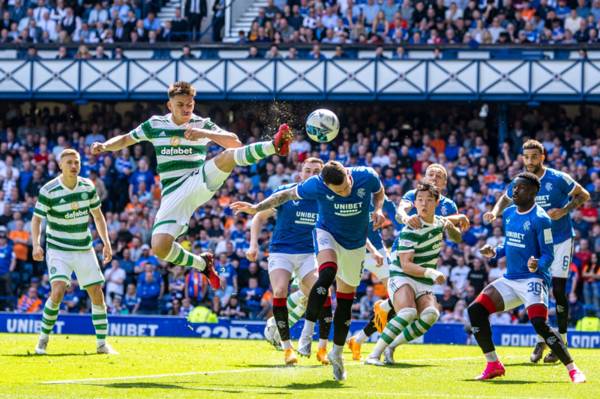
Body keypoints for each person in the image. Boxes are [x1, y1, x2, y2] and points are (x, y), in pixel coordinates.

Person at [90, 81, 293, 291]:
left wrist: (205, 134)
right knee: (159, 247)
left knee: (227, 157)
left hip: (197, 179)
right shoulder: (155, 124)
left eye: (189, 104)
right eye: (180, 105)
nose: (186, 109)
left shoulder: (201, 123)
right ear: (170, 106)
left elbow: (235, 142)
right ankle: (202, 264)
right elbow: (125, 139)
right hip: (172, 193)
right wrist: (105, 146)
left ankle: (275, 145)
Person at [232, 161, 386, 381]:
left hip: (355, 243)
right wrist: (257, 208)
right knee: (326, 274)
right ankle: (305, 335)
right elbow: (283, 195)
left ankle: (337, 353)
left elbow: (379, 192)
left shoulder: (366, 176)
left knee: (345, 302)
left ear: (348, 175)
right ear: (325, 185)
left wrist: (378, 209)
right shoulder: (315, 186)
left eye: (347, 186)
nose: (346, 192)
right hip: (325, 235)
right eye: (339, 191)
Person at [470, 172, 585, 383]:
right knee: (475, 310)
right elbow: (510, 243)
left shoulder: (541, 219)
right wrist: (495, 251)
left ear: (533, 192)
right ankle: (493, 364)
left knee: (539, 323)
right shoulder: (510, 213)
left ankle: (573, 370)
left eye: (520, 188)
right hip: (511, 279)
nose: (514, 191)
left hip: (534, 280)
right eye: (514, 187)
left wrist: (537, 265)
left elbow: (549, 254)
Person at [484, 139, 590, 363]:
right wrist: (494, 212)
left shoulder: (558, 178)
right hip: (535, 244)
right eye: (526, 157)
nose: (530, 161)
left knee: (559, 291)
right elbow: (504, 198)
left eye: (534, 157)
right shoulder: (521, 182)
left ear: (542, 157)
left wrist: (564, 210)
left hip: (561, 240)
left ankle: (560, 342)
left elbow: (583, 195)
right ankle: (541, 339)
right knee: (536, 289)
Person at [365, 182, 462, 365]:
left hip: (422, 280)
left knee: (431, 315)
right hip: (402, 275)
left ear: (437, 202)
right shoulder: (411, 228)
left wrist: (461, 218)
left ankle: (392, 346)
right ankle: (373, 355)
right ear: (415, 203)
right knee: (408, 312)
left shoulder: (440, 222)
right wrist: (432, 273)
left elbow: (456, 233)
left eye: (429, 200)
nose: (424, 204)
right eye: (420, 200)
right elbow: (406, 265)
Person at [247, 157, 331, 365]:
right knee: (279, 291)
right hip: (281, 252)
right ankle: (287, 348)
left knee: (323, 292)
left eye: (316, 171)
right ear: (300, 173)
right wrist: (253, 244)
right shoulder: (287, 191)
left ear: (321, 175)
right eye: (307, 170)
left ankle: (321, 347)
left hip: (309, 254)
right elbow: (259, 217)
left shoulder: (326, 198)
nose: (310, 174)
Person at [32, 149, 116, 355]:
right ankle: (42, 340)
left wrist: (106, 242)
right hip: (58, 248)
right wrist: (36, 244)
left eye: (76, 162)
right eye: (69, 162)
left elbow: (98, 216)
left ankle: (101, 344)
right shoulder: (49, 189)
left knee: (97, 293)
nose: (73, 166)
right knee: (58, 290)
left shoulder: (88, 186)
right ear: (60, 166)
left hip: (83, 248)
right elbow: (37, 219)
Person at [372, 163, 470, 332]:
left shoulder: (449, 206)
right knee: (407, 307)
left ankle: (372, 326)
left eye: (439, 176)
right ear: (424, 178)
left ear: (445, 183)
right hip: (404, 253)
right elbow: (400, 211)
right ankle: (383, 338)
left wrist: (451, 226)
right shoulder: (413, 194)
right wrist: (406, 218)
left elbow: (456, 237)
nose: (434, 178)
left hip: (427, 256)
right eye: (431, 174)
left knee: (411, 308)